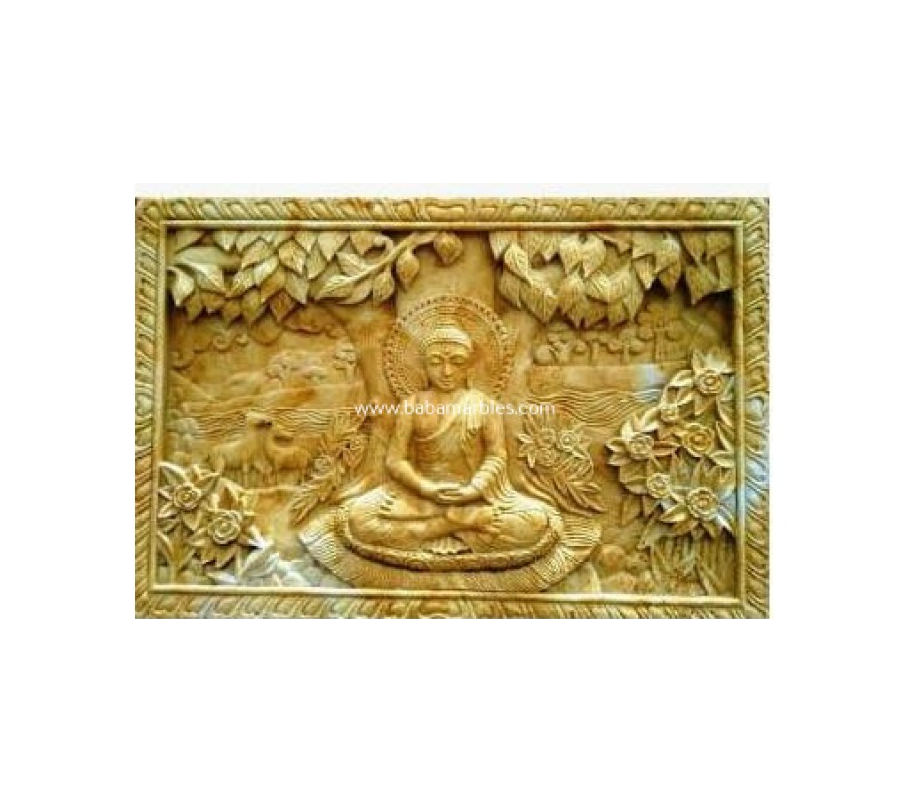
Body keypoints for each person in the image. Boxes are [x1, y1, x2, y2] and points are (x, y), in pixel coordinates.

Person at [344, 321, 558, 556]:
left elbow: (496, 455)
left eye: (456, 362)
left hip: (472, 497)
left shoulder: (485, 405)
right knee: (358, 518)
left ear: (469, 367)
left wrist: (474, 489)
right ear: (424, 366)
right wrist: (426, 488)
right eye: (436, 362)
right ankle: (455, 522)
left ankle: (438, 526)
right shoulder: (411, 405)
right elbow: (395, 460)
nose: (446, 372)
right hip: (420, 496)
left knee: (535, 521)